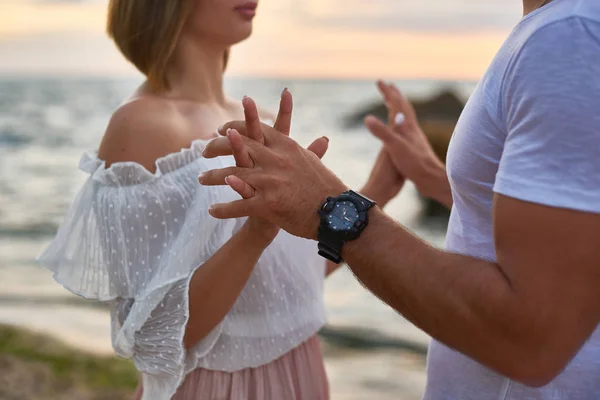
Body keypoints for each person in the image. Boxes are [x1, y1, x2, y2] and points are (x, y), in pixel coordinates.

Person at [199, 0, 600, 398]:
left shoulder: (569, 33)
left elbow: (530, 338)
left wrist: (332, 206)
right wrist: (448, 186)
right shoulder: (560, 29)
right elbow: (563, 244)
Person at [35, 1, 404, 399]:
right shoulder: (140, 126)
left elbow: (286, 284)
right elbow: (154, 338)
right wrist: (255, 233)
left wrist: (380, 188)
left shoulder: (257, 120)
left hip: (302, 375)